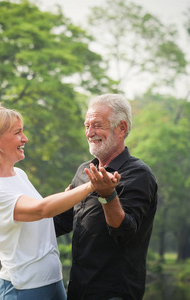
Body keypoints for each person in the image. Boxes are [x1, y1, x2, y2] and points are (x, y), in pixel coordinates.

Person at [0, 104, 120, 300]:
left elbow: (39, 215)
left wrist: (67, 196)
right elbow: (42, 210)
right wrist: (92, 186)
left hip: (52, 281)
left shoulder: (19, 175)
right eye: (17, 133)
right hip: (24, 287)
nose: (25, 138)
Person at [54, 94, 158, 300]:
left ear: (121, 128)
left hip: (114, 294)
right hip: (78, 291)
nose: (90, 133)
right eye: (87, 126)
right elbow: (60, 223)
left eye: (97, 125)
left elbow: (124, 232)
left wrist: (108, 196)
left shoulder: (138, 174)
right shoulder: (84, 171)